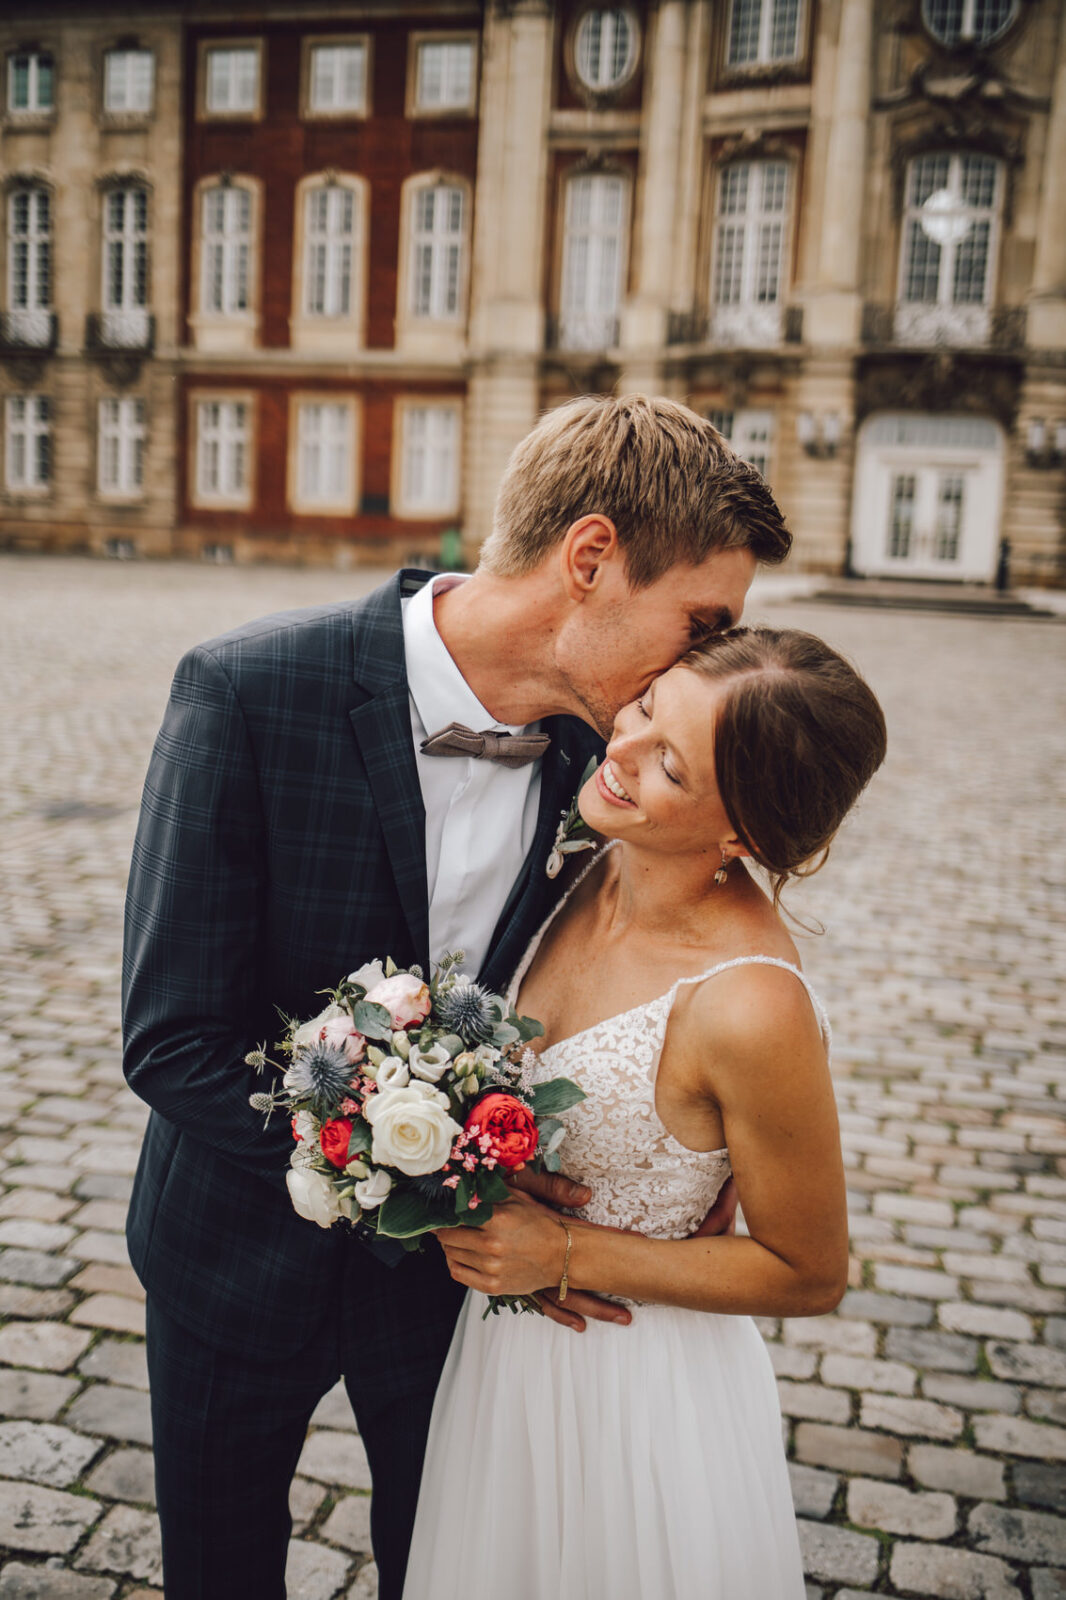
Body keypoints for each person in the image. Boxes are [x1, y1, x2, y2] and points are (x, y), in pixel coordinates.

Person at [120, 394, 792, 1600]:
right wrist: (428, 1172)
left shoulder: (615, 763)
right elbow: (172, 1041)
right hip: (231, 1254)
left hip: (455, 1301)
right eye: (701, 621)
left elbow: (694, 944)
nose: (702, 667)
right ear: (590, 558)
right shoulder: (243, 693)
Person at [407, 627, 888, 1600]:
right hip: (499, 1362)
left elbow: (810, 1269)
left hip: (637, 1391)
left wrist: (567, 1253)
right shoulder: (580, 856)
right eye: (643, 709)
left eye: (667, 763)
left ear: (742, 833)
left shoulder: (749, 1006)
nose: (617, 752)